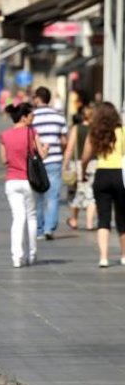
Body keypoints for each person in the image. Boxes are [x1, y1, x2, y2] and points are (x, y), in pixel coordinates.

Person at [0, 103, 47, 268]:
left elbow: (4, 160)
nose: (32, 119)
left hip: (11, 181)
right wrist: (46, 148)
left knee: (17, 218)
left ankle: (17, 257)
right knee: (31, 217)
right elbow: (41, 154)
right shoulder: (31, 133)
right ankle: (32, 254)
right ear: (23, 117)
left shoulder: (4, 135)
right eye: (31, 116)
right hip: (29, 181)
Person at [80, 102, 125, 267]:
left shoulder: (95, 133)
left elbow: (85, 157)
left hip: (102, 175)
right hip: (120, 175)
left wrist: (83, 172)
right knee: (122, 218)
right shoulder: (121, 131)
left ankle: (104, 258)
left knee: (103, 218)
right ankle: (123, 255)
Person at [31, 86, 68, 240]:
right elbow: (65, 140)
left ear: (37, 99)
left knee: (38, 197)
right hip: (55, 160)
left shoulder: (31, 117)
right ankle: (49, 228)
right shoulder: (59, 116)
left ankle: (39, 230)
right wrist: (62, 151)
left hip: (37, 162)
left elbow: (30, 139)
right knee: (53, 196)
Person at [63, 105, 96, 231]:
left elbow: (70, 148)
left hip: (76, 164)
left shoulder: (76, 128)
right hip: (94, 163)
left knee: (74, 192)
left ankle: (74, 220)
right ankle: (89, 223)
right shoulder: (95, 129)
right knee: (91, 194)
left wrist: (65, 164)